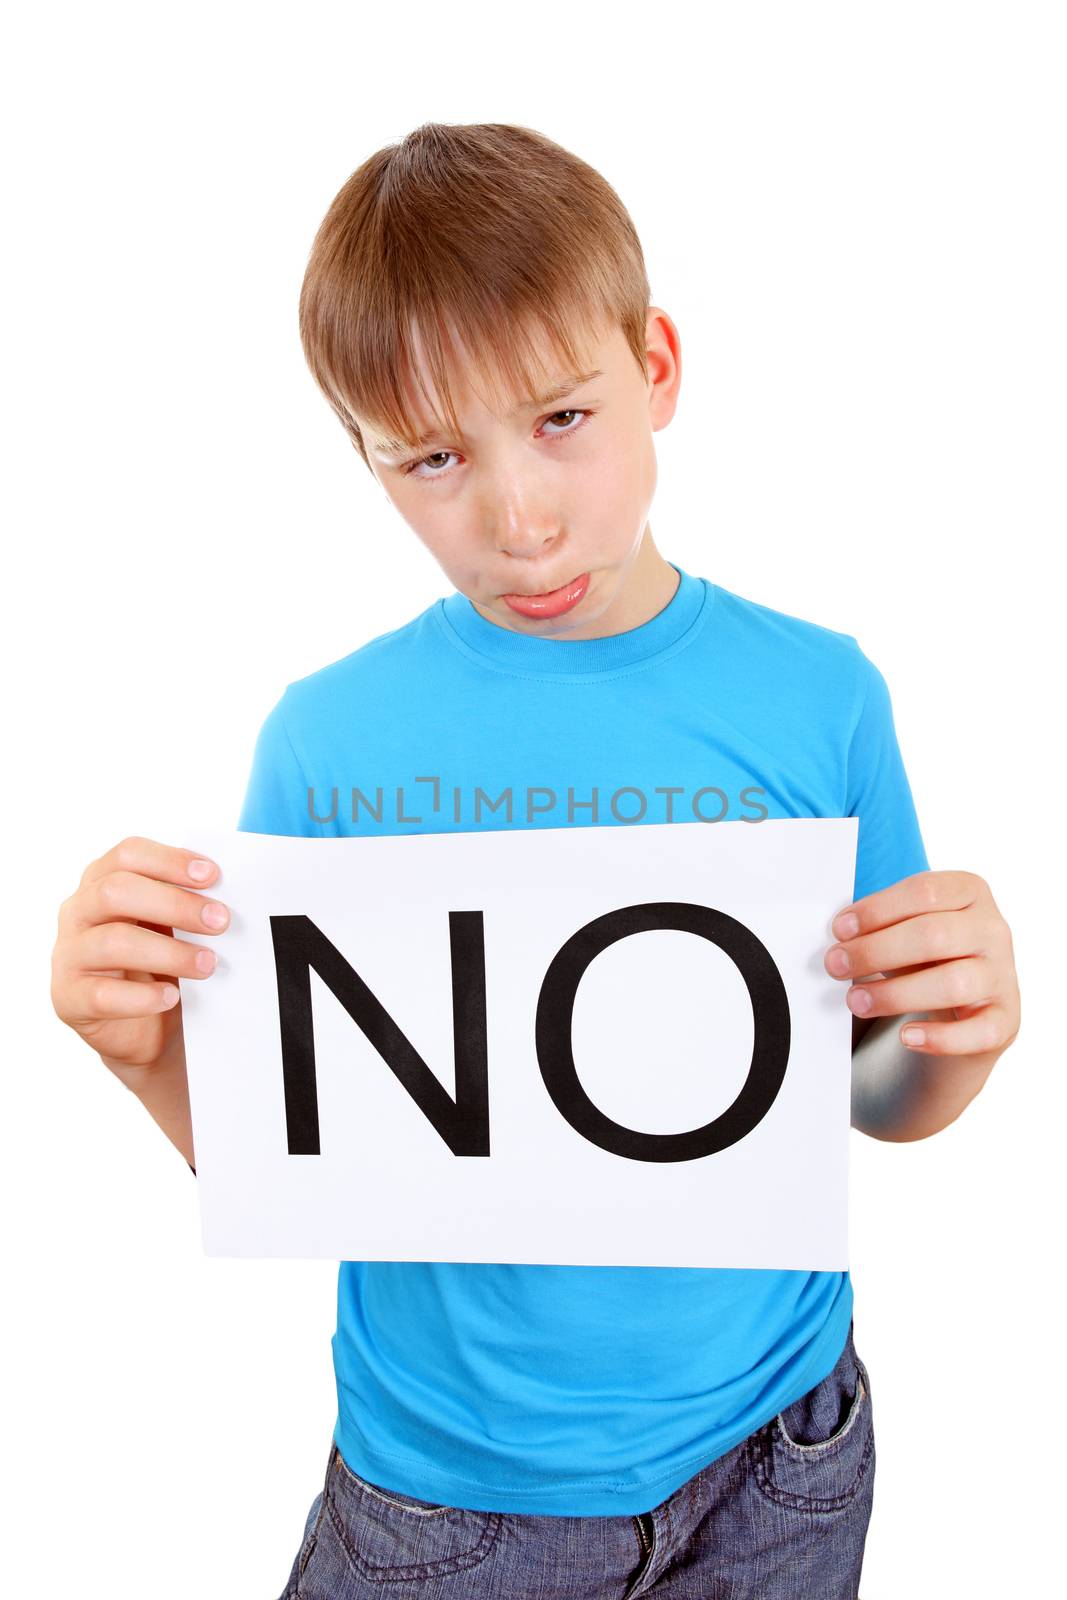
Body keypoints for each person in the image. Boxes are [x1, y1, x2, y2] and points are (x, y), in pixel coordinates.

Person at [50, 121, 1021, 1599]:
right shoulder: (328, 742)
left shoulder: (821, 695)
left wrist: (958, 1036)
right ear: (370, 465)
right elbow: (293, 1148)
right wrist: (141, 1053)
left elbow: (874, 1093)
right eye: (434, 457)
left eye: (560, 419)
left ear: (659, 368)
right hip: (447, 1502)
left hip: (780, 1456)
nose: (516, 518)